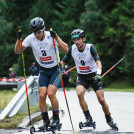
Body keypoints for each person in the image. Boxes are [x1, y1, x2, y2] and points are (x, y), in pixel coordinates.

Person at [14, 17, 68, 129]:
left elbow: (67, 49)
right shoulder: (30, 38)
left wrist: (57, 38)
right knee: (42, 94)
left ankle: (56, 120)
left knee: (51, 93)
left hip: (56, 69)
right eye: (34, 32)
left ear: (43, 28)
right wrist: (18, 40)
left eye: (39, 32)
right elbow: (18, 51)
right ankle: (46, 121)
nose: (37, 35)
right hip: (43, 70)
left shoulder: (50, 36)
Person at [61, 29, 118, 129]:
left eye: (79, 39)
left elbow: (98, 62)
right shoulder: (72, 49)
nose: (77, 42)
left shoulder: (90, 48)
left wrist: (98, 74)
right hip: (82, 77)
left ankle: (109, 118)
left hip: (94, 76)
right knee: (79, 94)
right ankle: (88, 118)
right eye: (75, 40)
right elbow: (63, 62)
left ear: (83, 39)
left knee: (101, 99)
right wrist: (59, 69)